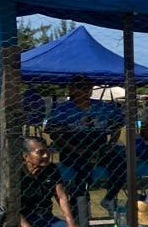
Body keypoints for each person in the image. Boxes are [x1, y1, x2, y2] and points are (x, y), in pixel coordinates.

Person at [44, 76, 126, 212]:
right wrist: (73, 148)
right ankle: (80, 210)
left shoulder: (102, 107)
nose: (85, 90)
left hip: (99, 147)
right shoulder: (63, 109)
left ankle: (109, 198)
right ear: (72, 89)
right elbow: (54, 134)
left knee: (121, 165)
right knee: (82, 173)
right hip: (73, 148)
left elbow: (117, 127)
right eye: (80, 87)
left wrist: (110, 144)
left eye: (88, 87)